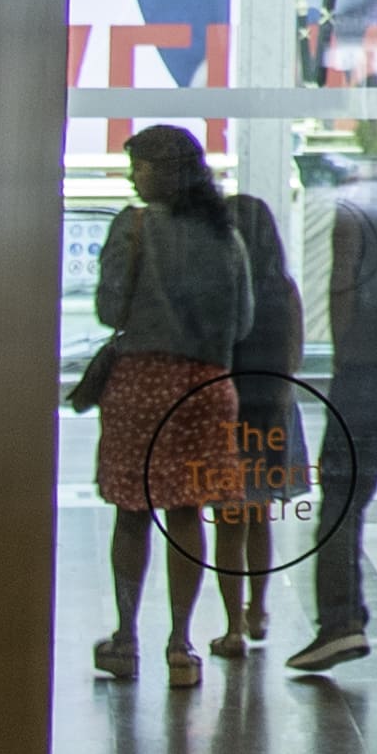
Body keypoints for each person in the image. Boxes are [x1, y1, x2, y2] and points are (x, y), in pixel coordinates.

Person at [86, 125, 251, 690]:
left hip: (141, 382)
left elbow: (110, 310)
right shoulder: (226, 236)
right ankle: (181, 644)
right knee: (187, 512)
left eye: (142, 166)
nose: (135, 176)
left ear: (166, 170)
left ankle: (126, 637)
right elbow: (246, 319)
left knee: (132, 512)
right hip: (208, 386)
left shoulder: (132, 228)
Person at [289, 162, 377, 675]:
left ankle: (340, 623)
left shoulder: (353, 214)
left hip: (364, 369)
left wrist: (345, 358)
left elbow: (343, 289)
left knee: (340, 497)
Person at [203, 164, 310, 661]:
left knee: (230, 520)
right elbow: (294, 352)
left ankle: (232, 625)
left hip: (229, 411)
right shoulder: (284, 287)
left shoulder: (223, 286)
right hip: (273, 412)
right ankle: (258, 608)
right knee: (259, 516)